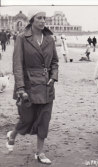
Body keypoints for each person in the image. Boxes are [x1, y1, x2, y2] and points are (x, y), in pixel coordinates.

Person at [6, 10, 59, 164]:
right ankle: (12, 135)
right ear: (31, 20)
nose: (43, 21)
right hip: (28, 85)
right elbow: (17, 64)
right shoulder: (22, 38)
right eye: (39, 18)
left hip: (46, 85)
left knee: (44, 119)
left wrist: (53, 77)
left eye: (45, 18)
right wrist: (20, 88)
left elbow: (55, 61)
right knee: (26, 119)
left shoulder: (49, 38)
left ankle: (40, 152)